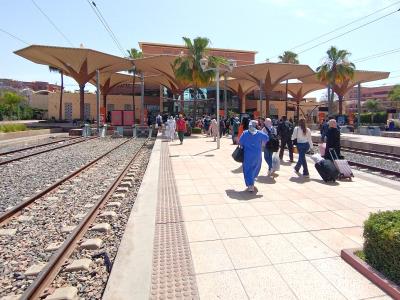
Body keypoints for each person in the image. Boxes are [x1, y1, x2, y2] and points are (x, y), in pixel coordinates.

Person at [239, 120, 269, 192]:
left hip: (247, 155)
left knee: (247, 169)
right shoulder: (260, 133)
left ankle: (250, 184)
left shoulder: (245, 133)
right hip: (257, 155)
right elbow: (267, 138)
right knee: (255, 168)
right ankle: (252, 179)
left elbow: (240, 142)